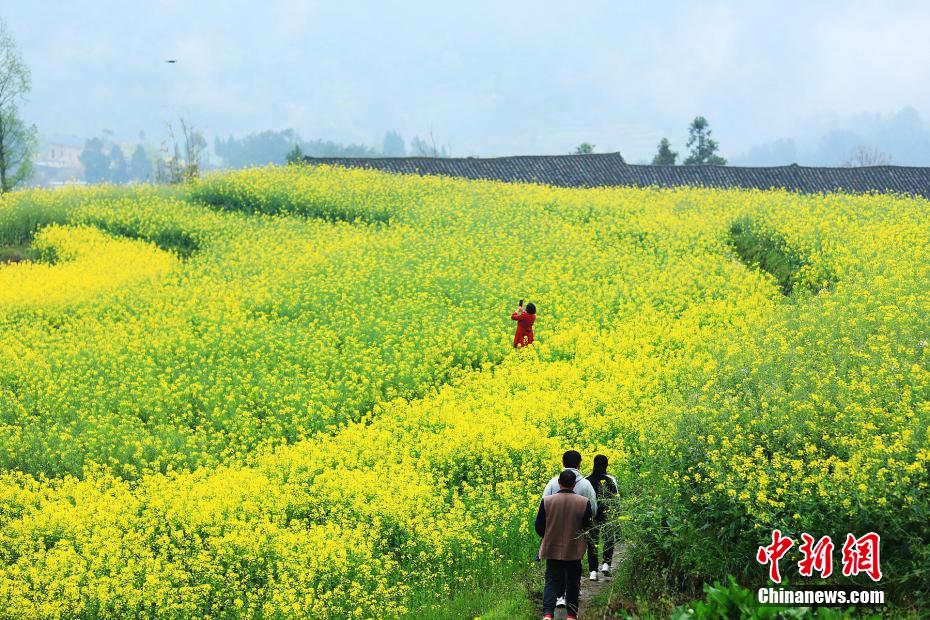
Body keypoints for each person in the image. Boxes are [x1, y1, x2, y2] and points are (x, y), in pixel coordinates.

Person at [541, 450, 598, 609]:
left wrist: (546, 533)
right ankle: (572, 597)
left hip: (555, 533)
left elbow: (543, 505)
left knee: (555, 568)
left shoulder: (553, 482)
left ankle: (559, 596)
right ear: (579, 463)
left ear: (563, 462)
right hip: (576, 534)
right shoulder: (586, 484)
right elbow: (593, 509)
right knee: (573, 566)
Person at [586, 454, 618, 581]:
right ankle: (606, 564)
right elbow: (616, 497)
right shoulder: (610, 479)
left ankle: (593, 571)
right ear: (606, 465)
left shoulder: (586, 480)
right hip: (607, 513)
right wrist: (616, 513)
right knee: (608, 538)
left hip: (592, 515)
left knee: (592, 542)